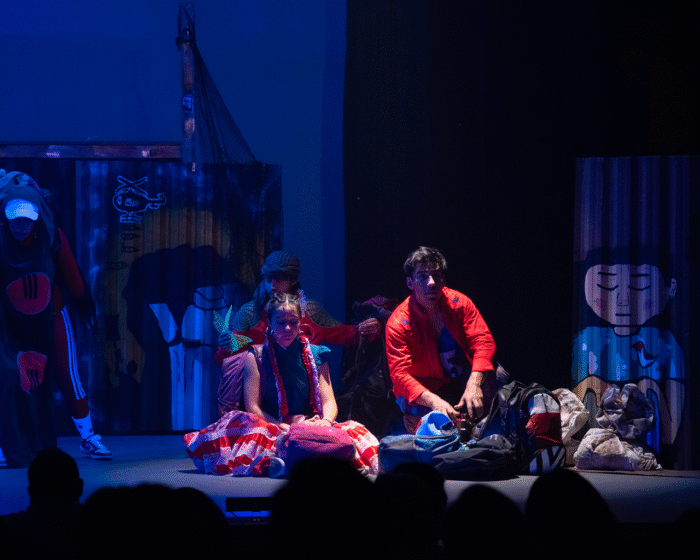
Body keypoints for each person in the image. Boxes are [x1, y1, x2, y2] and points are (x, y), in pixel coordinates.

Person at [185, 292, 379, 476]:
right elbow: (253, 407)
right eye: (281, 322)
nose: (287, 328)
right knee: (248, 427)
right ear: (270, 322)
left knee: (355, 430)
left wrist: (325, 422)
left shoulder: (317, 354)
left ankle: (294, 462)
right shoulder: (256, 356)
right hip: (273, 425)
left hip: (309, 425)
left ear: (300, 322)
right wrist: (284, 426)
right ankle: (293, 462)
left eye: (293, 322)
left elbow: (328, 401)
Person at [0, 170, 110, 468]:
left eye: (26, 219)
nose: (20, 225)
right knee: (7, 377)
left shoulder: (51, 236)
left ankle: (88, 436)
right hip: (10, 323)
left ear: (37, 217)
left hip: (51, 316)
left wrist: (85, 307)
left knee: (67, 374)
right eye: (14, 218)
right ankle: (6, 442)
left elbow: (72, 275)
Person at [385, 246, 501, 433]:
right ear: (410, 283)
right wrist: (434, 401)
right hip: (426, 388)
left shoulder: (460, 304)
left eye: (436, 275)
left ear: (443, 280)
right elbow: (400, 375)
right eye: (422, 276)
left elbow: (483, 342)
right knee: (419, 420)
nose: (431, 282)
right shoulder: (398, 323)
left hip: (462, 378)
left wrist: (474, 383)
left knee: (498, 379)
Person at [216, 250, 380, 362]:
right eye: (268, 280)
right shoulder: (251, 312)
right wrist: (226, 348)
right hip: (262, 391)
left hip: (303, 391)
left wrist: (366, 329)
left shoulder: (310, 311)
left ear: (293, 280)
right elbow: (226, 359)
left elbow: (346, 335)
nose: (272, 287)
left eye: (279, 280)